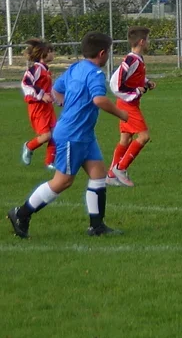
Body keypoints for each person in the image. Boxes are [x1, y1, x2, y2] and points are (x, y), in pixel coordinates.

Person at [8, 32, 128, 239]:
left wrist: (66, 103)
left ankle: (97, 226)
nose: (109, 56)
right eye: (109, 52)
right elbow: (99, 100)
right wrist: (121, 113)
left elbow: (56, 90)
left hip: (85, 134)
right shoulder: (95, 74)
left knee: (98, 174)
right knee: (62, 181)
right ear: (102, 53)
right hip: (73, 135)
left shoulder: (76, 68)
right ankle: (21, 213)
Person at [107, 27, 156, 187]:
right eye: (148, 39)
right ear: (142, 42)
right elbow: (117, 83)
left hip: (128, 102)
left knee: (126, 138)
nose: (149, 42)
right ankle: (120, 168)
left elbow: (134, 77)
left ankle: (110, 175)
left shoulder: (137, 59)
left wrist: (146, 82)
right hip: (128, 104)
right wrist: (134, 91)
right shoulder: (131, 60)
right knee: (144, 136)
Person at [20, 39, 58, 170]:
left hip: (47, 108)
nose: (53, 54)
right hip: (38, 108)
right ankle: (29, 146)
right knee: (46, 136)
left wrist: (56, 99)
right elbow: (25, 83)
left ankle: (50, 162)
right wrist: (41, 95)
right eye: (50, 51)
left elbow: (48, 90)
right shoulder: (35, 69)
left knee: (56, 134)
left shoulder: (45, 70)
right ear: (43, 54)